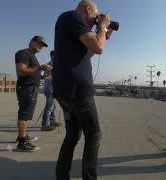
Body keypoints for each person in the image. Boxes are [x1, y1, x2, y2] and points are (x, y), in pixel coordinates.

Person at [53, 0, 113, 179]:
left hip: (65, 91)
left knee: (72, 136)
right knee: (94, 134)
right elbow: (98, 47)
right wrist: (101, 27)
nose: (95, 22)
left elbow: (88, 53)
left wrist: (103, 35)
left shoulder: (69, 25)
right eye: (95, 18)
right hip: (78, 91)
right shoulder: (73, 16)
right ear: (88, 9)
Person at [15, 36, 51, 152]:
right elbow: (21, 71)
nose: (41, 47)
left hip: (30, 87)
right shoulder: (23, 53)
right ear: (31, 42)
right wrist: (40, 68)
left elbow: (31, 72)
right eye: (39, 44)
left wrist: (43, 76)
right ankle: (22, 142)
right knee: (24, 114)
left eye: (43, 46)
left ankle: (22, 135)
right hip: (26, 88)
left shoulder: (31, 56)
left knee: (25, 113)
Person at [41, 50, 61, 131]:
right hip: (50, 89)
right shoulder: (55, 64)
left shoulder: (48, 64)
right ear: (53, 56)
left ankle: (52, 121)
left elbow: (45, 76)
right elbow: (50, 76)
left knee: (52, 106)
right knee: (49, 107)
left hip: (48, 88)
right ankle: (44, 125)